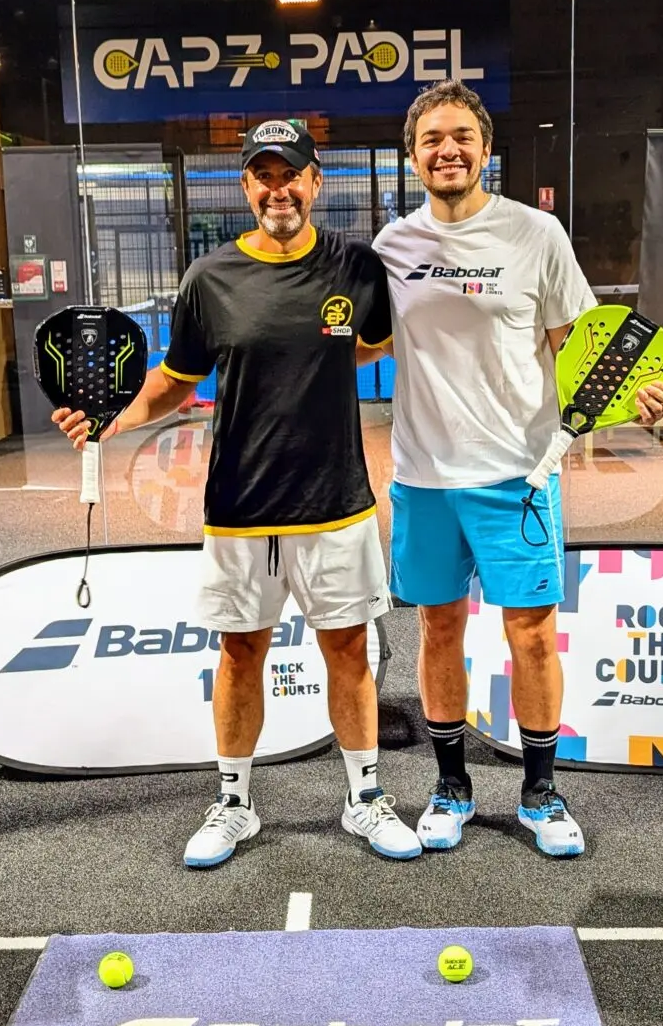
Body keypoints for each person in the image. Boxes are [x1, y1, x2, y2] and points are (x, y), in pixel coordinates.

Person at [53, 117, 421, 868]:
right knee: (239, 654)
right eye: (264, 176)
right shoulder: (209, 279)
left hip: (336, 502)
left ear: (316, 182)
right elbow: (173, 383)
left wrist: (319, 362)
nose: (278, 190)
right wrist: (113, 419)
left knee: (349, 652)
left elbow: (379, 345)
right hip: (239, 507)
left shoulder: (355, 266)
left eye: (292, 175)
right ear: (247, 185)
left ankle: (364, 797)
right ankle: (233, 804)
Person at [374, 80, 663, 859]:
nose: (447, 150)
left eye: (461, 137)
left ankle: (540, 793)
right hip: (423, 478)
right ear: (412, 156)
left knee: (532, 636)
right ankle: (450, 788)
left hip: (518, 475)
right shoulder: (391, 247)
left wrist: (635, 395)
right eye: (431, 139)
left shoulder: (536, 234)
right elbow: (356, 340)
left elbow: (582, 347)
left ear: (484, 148)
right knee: (437, 629)